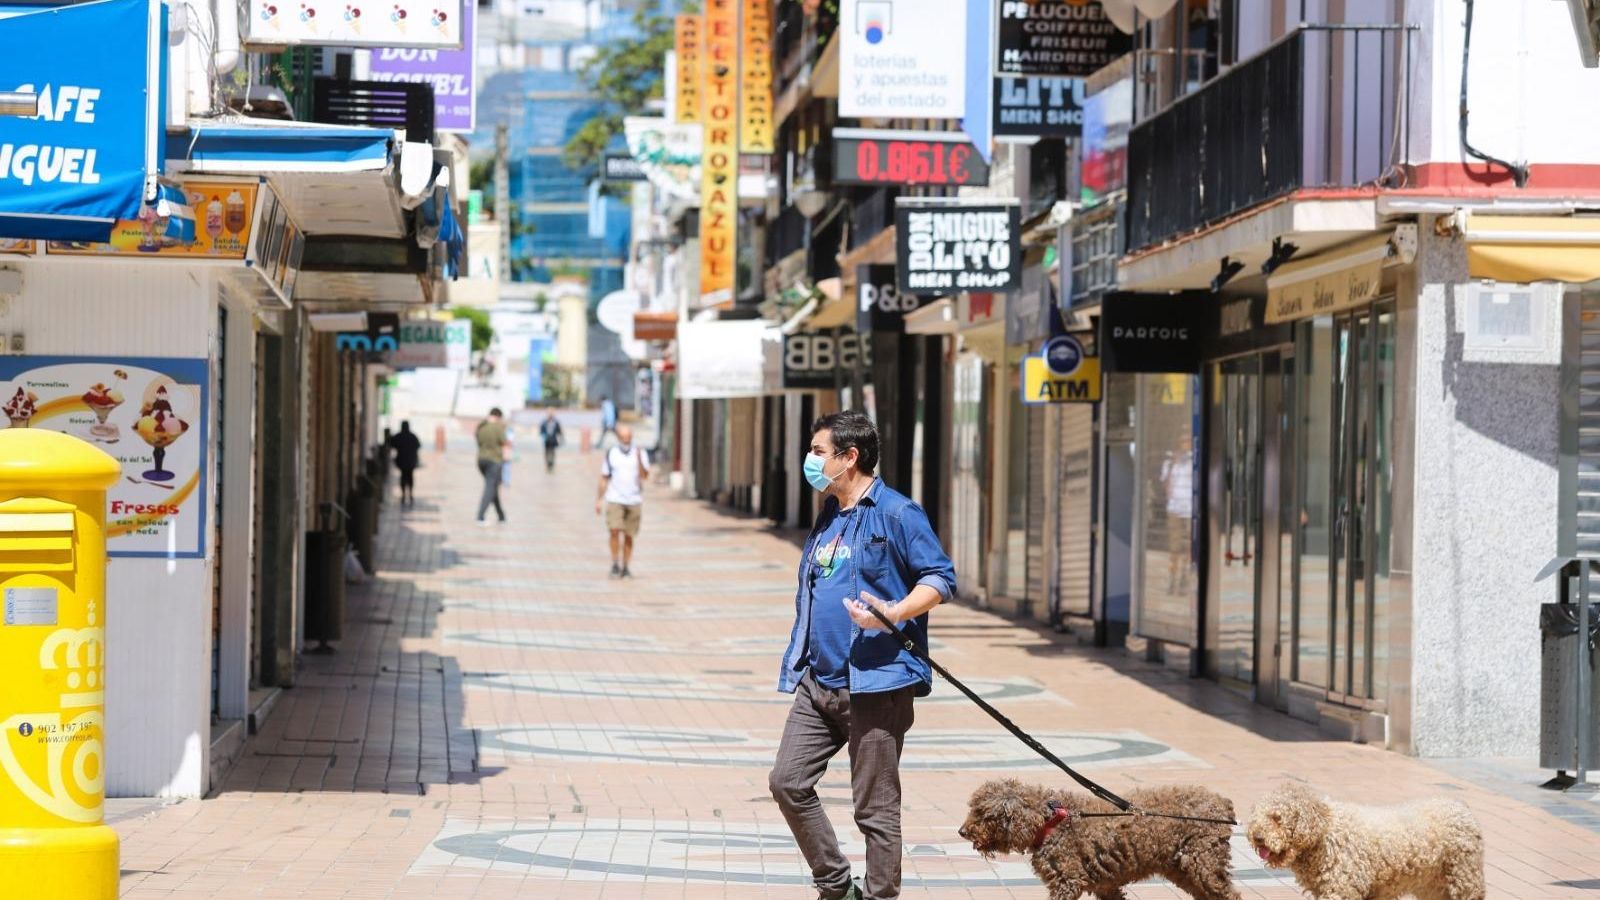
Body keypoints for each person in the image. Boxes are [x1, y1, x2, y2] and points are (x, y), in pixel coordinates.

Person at [770, 410, 956, 900]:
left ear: (849, 458)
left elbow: (939, 578)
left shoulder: (897, 513)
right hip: (819, 682)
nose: (810, 461)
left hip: (876, 684)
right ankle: (835, 884)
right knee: (787, 781)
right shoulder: (830, 513)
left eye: (817, 452)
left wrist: (892, 613)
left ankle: (878, 896)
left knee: (874, 808)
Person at [595, 423, 648, 578]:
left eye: (629, 438)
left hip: (634, 499)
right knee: (614, 530)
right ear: (618, 438)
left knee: (629, 535)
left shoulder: (639, 452)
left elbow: (645, 476)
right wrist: (599, 500)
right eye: (623, 438)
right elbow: (604, 478)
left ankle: (626, 566)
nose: (626, 441)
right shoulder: (612, 453)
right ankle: (614, 563)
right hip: (614, 498)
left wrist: (639, 459)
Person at [1160, 433, 1195, 592]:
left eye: (1188, 441)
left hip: (1190, 509)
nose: (1185, 444)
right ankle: (1172, 578)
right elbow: (1165, 485)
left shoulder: (1194, 460)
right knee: (1174, 546)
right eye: (1183, 441)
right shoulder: (1170, 462)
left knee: (1188, 545)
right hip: (1174, 508)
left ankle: (1184, 577)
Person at [475, 408, 509, 525]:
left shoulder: (481, 427)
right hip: (494, 461)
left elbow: (478, 442)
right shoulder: (498, 428)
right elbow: (505, 444)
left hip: (481, 460)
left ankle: (501, 515)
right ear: (498, 416)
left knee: (492, 486)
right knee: (490, 487)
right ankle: (480, 516)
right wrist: (506, 459)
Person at [388, 421, 422, 507]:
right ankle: (410, 493)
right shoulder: (412, 436)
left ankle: (404, 494)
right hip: (411, 461)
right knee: (410, 477)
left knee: (403, 476)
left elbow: (391, 443)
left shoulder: (399, 436)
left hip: (402, 461)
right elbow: (418, 445)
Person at [539, 408, 564, 473]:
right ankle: (548, 464)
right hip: (546, 440)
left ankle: (551, 465)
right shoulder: (544, 422)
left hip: (553, 439)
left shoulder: (556, 422)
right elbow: (541, 430)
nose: (550, 415)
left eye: (551, 413)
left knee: (552, 452)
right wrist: (543, 436)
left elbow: (559, 431)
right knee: (547, 452)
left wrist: (561, 438)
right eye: (549, 413)